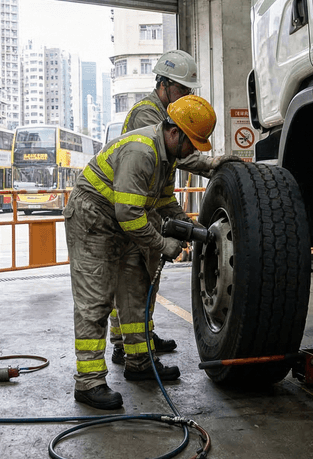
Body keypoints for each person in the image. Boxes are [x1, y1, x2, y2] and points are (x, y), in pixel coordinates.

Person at [67, 95, 218, 410]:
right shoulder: (142, 151)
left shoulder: (167, 158)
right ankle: (89, 382)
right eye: (192, 143)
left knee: (136, 290)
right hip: (93, 218)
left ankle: (139, 361)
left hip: (119, 219)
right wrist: (164, 245)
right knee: (96, 299)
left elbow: (162, 201)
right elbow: (130, 217)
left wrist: (186, 225)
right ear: (174, 132)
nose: (192, 151)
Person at [108, 49, 242, 367]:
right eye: (181, 89)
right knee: (133, 278)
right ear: (164, 84)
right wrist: (211, 163)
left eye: (188, 91)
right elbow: (179, 152)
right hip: (135, 205)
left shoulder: (167, 110)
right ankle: (123, 342)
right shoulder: (147, 114)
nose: (184, 95)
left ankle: (141, 335)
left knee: (149, 273)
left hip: (151, 203)